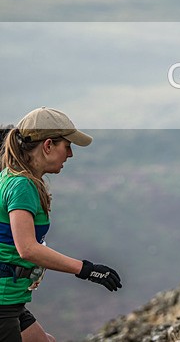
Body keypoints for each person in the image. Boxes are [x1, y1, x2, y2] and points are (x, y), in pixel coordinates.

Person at [0, 107, 121, 342]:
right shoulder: (21, 185)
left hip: (11, 298)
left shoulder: (14, 176)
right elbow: (28, 248)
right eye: (67, 146)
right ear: (47, 146)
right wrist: (87, 270)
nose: (70, 154)